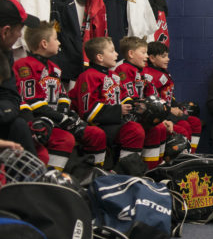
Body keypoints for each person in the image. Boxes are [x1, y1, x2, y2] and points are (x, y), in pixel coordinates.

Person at [13, 21, 107, 168]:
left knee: (96, 134)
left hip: (56, 119)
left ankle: (93, 174)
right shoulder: (24, 65)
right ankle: (52, 179)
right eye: (56, 38)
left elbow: (62, 96)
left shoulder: (54, 68)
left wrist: (66, 115)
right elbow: (33, 102)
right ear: (44, 43)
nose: (59, 42)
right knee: (64, 139)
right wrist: (61, 118)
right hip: (37, 120)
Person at [69, 37, 162, 169]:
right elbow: (88, 112)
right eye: (112, 51)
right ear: (100, 57)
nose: (117, 54)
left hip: (115, 122)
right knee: (133, 130)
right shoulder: (89, 76)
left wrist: (139, 106)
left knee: (153, 127)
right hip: (98, 124)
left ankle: (150, 170)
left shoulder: (113, 76)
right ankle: (126, 172)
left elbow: (125, 97)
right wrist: (118, 110)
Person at [143, 41, 203, 152]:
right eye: (163, 56)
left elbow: (168, 95)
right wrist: (170, 109)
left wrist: (177, 106)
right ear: (151, 58)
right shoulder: (149, 75)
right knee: (184, 128)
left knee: (194, 122)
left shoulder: (163, 72)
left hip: (168, 111)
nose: (168, 59)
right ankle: (181, 158)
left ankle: (191, 155)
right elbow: (152, 101)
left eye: (167, 56)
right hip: (161, 115)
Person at [0, 0, 39, 154]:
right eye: (19, 30)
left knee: (19, 125)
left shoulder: (4, 51)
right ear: (6, 31)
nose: (20, 36)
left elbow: (10, 95)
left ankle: (35, 178)